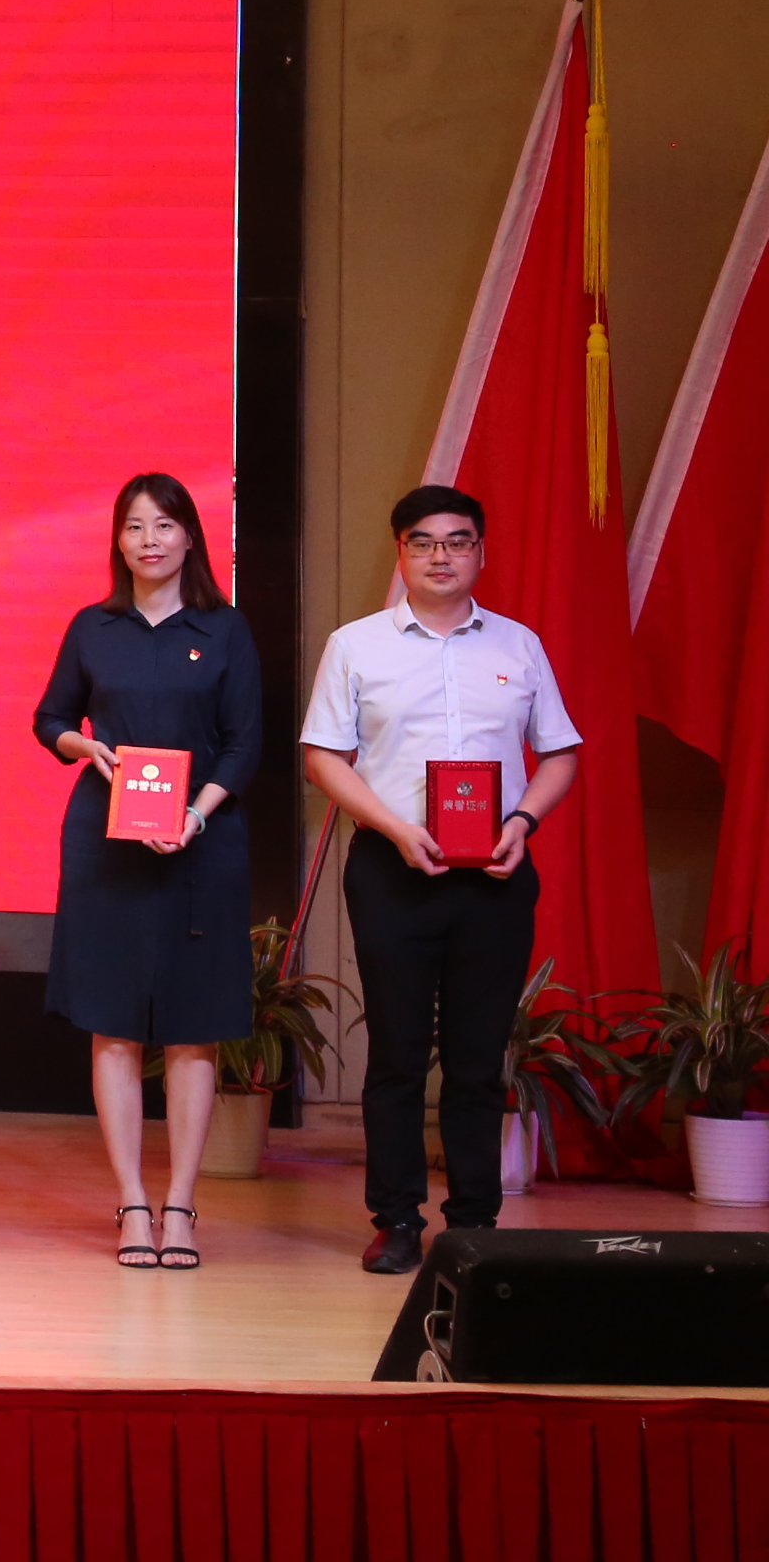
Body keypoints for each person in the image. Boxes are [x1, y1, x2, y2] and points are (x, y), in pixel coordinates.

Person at [301, 483, 582, 1276]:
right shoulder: (356, 645)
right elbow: (324, 756)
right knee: (395, 1054)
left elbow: (559, 752)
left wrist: (521, 821)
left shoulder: (518, 646)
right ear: (401, 552)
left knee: (477, 1057)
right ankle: (396, 1220)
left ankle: (473, 1224)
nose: (440, 556)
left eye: (458, 541)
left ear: (480, 552)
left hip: (495, 874)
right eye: (423, 542)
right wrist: (396, 827)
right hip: (392, 871)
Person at [34, 474, 261, 1272]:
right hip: (107, 844)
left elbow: (244, 743)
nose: (149, 540)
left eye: (164, 525)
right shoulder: (93, 626)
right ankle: (132, 1201)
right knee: (115, 1023)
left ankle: (181, 1205)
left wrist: (194, 815)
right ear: (118, 541)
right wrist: (82, 746)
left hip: (203, 843)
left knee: (194, 1028)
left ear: (191, 536)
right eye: (134, 527)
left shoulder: (224, 628)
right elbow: (50, 718)